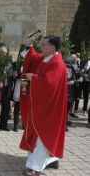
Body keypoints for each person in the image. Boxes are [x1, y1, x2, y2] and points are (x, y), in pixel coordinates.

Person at [20, 36, 67, 176]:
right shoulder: (46, 59)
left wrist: (32, 78)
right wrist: (28, 45)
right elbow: (33, 58)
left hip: (50, 109)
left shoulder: (58, 64)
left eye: (43, 44)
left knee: (42, 136)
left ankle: (35, 168)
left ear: (52, 47)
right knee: (38, 134)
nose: (41, 46)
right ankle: (52, 159)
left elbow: (48, 84)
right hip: (41, 107)